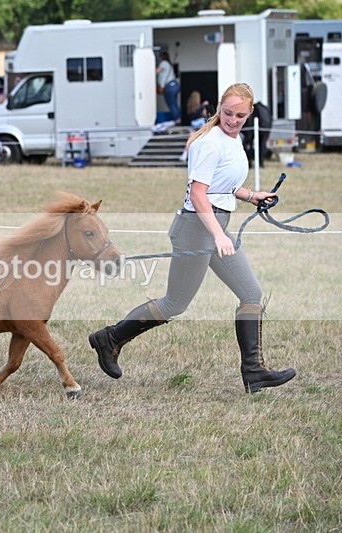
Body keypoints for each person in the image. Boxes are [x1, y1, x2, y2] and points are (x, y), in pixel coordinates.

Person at [88, 83, 296, 394]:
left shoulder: (233, 139)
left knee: (251, 293)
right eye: (227, 113)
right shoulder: (210, 143)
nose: (233, 119)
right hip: (197, 228)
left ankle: (253, 371)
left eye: (240, 114)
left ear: (250, 113)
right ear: (219, 109)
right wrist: (217, 235)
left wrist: (252, 195)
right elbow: (199, 195)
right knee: (175, 303)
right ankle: (110, 338)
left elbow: (222, 186)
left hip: (213, 226)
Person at [156, 52, 181, 124]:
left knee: (172, 104)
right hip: (174, 85)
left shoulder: (164, 63)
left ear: (161, 57)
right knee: (174, 104)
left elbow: (157, 71)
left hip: (170, 86)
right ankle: (178, 118)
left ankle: (177, 120)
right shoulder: (168, 64)